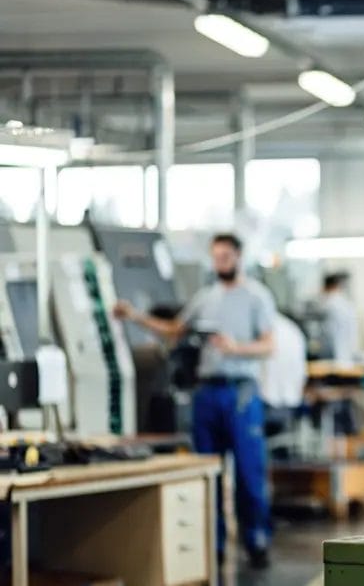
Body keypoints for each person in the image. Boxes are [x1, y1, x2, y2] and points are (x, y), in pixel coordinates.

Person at [114, 233, 276, 569]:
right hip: (207, 393)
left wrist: (236, 348)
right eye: (216, 257)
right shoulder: (205, 298)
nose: (221, 263)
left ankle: (256, 540)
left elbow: (269, 345)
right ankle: (211, 544)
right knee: (208, 472)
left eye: (226, 257)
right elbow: (174, 330)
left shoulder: (256, 297)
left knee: (249, 473)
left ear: (239, 256)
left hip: (240, 393)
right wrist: (134, 316)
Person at [318, 272, 359, 364]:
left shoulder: (329, 304)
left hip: (335, 355)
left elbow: (328, 331)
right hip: (348, 353)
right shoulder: (346, 304)